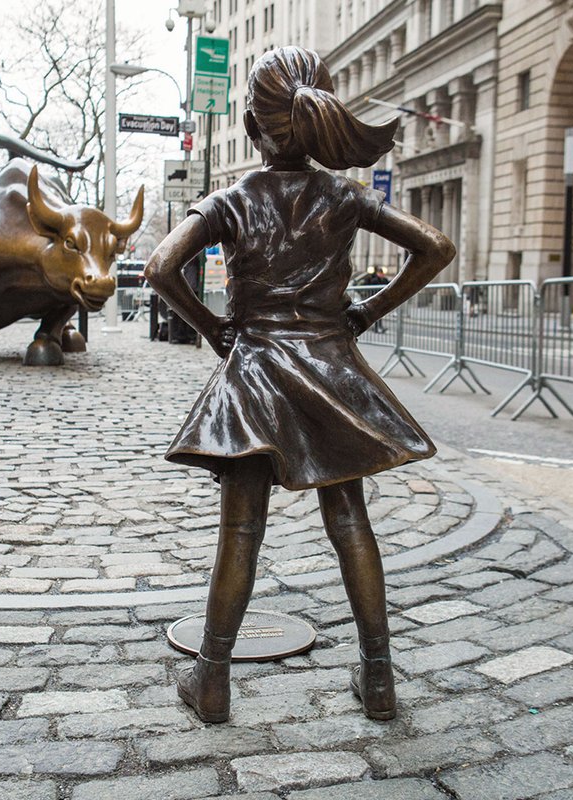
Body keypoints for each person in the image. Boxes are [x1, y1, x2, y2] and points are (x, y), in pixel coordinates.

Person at [145, 46, 455, 724]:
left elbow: (161, 267)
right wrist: (366, 312)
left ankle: (214, 682)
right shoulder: (343, 195)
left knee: (241, 530)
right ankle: (379, 682)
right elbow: (435, 246)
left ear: (255, 129)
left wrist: (215, 330)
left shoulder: (233, 200)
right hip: (330, 371)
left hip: (254, 373)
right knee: (350, 521)